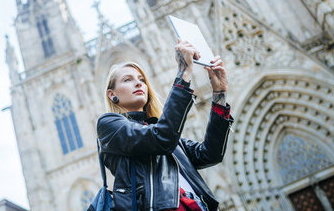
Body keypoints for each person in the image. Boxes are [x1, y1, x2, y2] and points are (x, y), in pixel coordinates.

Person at [97, 40, 234, 211]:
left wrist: (219, 95)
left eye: (141, 80)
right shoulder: (109, 125)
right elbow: (161, 138)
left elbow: (210, 154)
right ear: (112, 95)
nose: (139, 83)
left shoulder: (160, 130)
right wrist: (183, 73)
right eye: (127, 80)